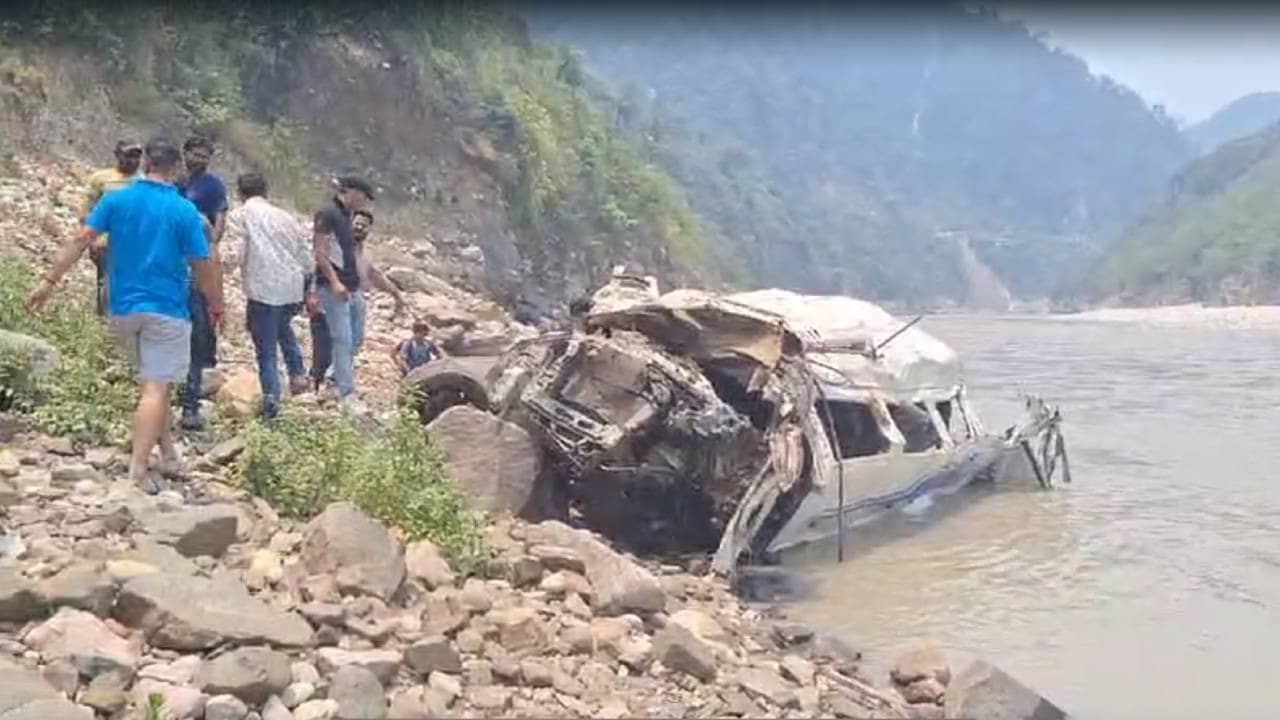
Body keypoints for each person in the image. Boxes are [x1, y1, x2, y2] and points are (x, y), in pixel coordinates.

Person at [25, 137, 223, 492]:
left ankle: (168, 453)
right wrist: (216, 305)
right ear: (175, 168)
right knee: (156, 388)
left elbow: (81, 239)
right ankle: (137, 470)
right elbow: (202, 263)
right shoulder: (183, 211)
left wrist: (48, 282)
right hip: (166, 310)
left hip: (122, 308)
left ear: (146, 163)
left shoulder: (116, 199)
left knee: (153, 384)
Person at [222, 172, 311, 418]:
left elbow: (234, 255)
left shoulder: (240, 215)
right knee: (282, 326)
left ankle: (272, 404)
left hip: (263, 290)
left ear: (240, 193)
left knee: (266, 350)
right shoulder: (286, 217)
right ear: (265, 191)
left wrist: (215, 263)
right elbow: (306, 259)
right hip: (291, 289)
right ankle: (298, 373)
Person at [307, 206, 406, 393]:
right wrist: (313, 293)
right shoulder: (337, 247)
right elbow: (318, 266)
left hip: (356, 298)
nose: (360, 228)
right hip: (333, 296)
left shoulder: (362, 253)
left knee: (355, 340)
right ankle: (322, 383)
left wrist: (396, 294)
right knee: (328, 343)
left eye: (365, 226)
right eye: (357, 223)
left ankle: (335, 379)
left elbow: (375, 275)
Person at [308, 175, 375, 413]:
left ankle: (334, 378)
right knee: (342, 339)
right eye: (363, 197)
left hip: (350, 287)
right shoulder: (328, 213)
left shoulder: (346, 216)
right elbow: (320, 251)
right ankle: (346, 392)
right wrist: (334, 282)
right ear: (352, 192)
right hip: (333, 287)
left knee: (355, 339)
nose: (363, 203)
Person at [176, 135, 228, 430]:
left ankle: (190, 401)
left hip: (196, 262)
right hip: (166, 263)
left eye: (205, 156)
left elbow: (219, 222)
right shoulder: (173, 182)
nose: (200, 160)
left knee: (197, 328)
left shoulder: (213, 187)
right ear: (184, 153)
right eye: (195, 154)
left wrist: (210, 246)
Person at [81, 140, 144, 316]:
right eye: (128, 155)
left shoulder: (144, 182)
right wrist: (91, 240)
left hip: (134, 244)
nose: (133, 160)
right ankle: (104, 321)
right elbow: (87, 210)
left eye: (137, 156)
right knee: (106, 283)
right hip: (104, 243)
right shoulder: (101, 179)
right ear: (117, 155)